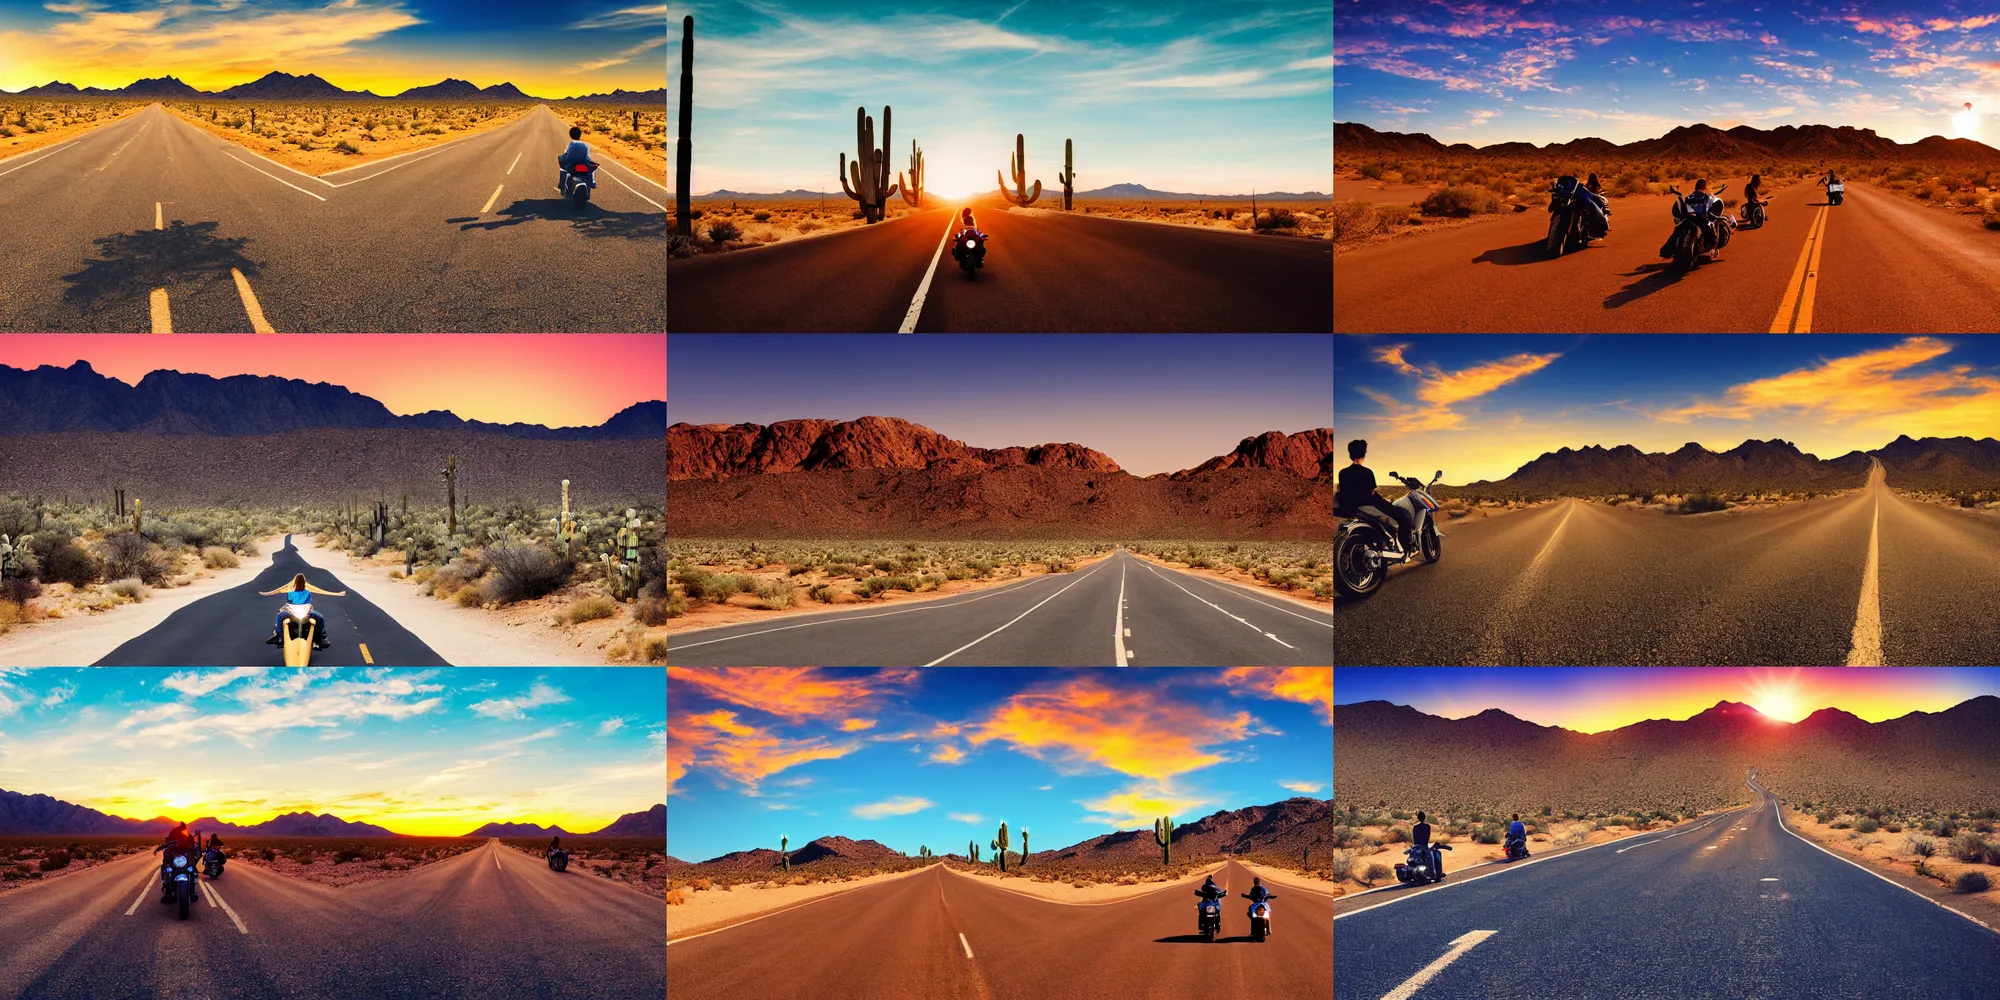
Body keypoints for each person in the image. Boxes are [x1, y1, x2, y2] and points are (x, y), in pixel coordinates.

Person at [1335, 438, 1415, 553]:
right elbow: (1372, 492)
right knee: (1404, 515)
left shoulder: (1342, 472)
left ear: (1350, 455)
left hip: (1351, 507)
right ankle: (1407, 546)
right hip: (1369, 505)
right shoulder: (1367, 472)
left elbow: (1344, 490)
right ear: (1364, 454)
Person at [260, 572, 345, 650]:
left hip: (298, 612)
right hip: (299, 611)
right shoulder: (304, 592)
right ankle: (321, 638)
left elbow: (289, 600)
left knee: (279, 617)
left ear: (294, 582)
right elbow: (307, 601)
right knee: (320, 618)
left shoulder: (293, 592)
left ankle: (279, 637)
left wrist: (267, 594)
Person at [153, 822, 198, 901]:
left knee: (193, 869)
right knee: (166, 867)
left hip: (184, 857)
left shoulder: (186, 834)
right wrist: (167, 849)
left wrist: (194, 850)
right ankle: (166, 887)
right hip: (174, 856)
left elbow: (192, 843)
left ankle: (192, 890)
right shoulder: (174, 833)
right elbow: (167, 841)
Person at [557, 126, 597, 191]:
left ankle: (562, 184)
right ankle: (592, 183)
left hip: (573, 163)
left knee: (563, 169)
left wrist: (562, 157)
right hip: (583, 162)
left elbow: (566, 153)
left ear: (571, 135)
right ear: (580, 135)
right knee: (591, 169)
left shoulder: (571, 144)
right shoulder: (585, 145)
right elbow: (587, 155)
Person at [1412, 810, 1443, 880]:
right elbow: (1427, 838)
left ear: (1418, 818)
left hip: (1416, 847)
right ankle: (1434, 874)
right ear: (1425, 817)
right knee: (1433, 856)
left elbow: (1414, 838)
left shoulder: (1415, 827)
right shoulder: (1427, 826)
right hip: (1424, 846)